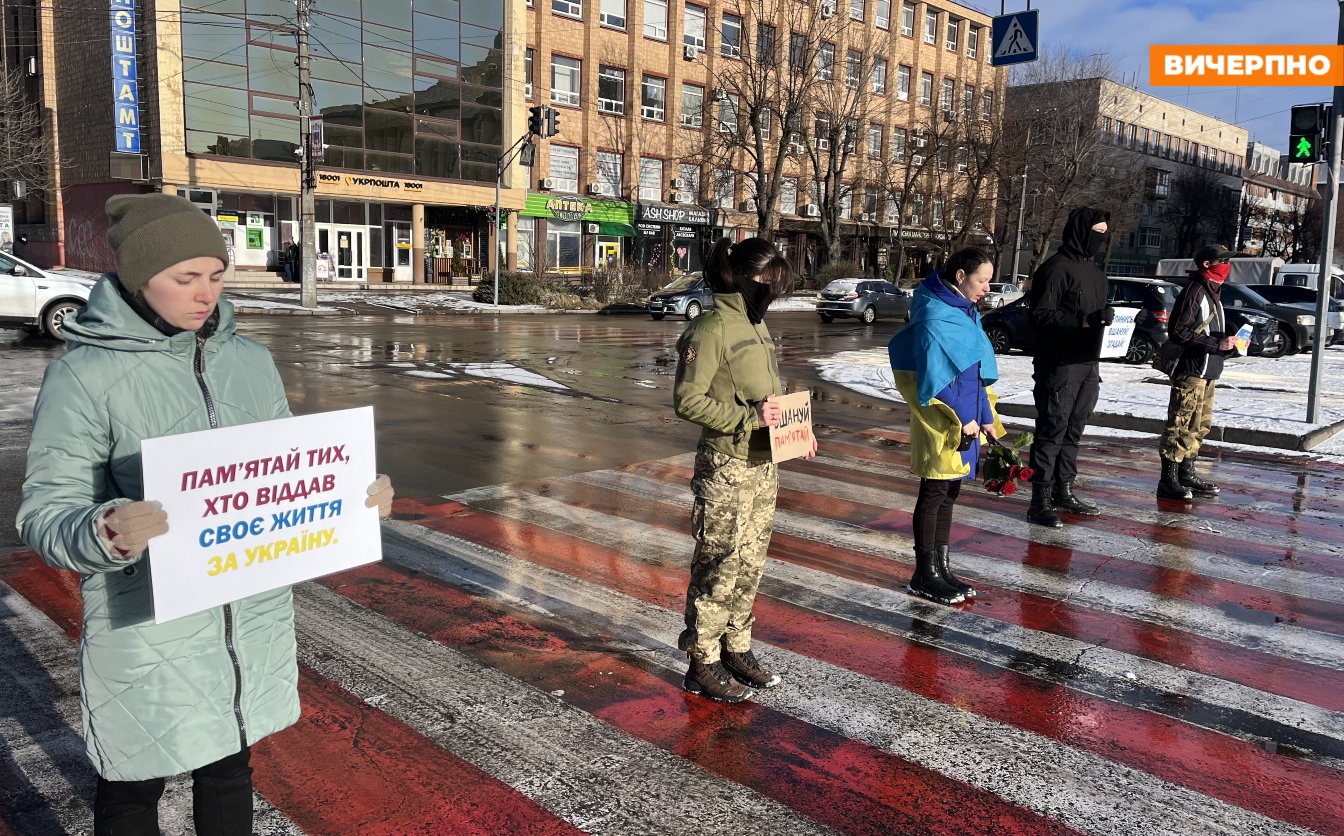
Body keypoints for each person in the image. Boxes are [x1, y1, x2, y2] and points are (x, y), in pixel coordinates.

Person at [16, 193, 395, 836]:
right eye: (184, 279)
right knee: (133, 788)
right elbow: (45, 512)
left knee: (229, 770)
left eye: (216, 277)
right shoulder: (86, 377)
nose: (205, 295)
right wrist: (104, 531)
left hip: (246, 615)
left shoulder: (249, 361)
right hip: (147, 625)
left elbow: (281, 473)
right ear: (138, 281)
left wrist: (349, 495)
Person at [672, 237, 813, 702]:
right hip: (726, 465)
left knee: (750, 563)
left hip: (762, 463)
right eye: (767, 283)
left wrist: (798, 429)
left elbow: (768, 393)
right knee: (719, 565)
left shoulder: (755, 326)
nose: (771, 292)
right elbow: (687, 400)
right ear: (743, 278)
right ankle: (702, 661)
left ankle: (736, 646)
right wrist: (747, 419)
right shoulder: (711, 329)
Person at [889, 248, 1005, 604]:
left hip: (968, 419)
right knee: (934, 492)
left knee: (950, 493)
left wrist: (985, 418)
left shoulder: (965, 312)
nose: (987, 287)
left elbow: (975, 372)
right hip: (943, 419)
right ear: (960, 276)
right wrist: (965, 418)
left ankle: (941, 567)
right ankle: (924, 572)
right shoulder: (934, 316)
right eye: (981, 280)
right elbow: (934, 381)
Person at [1025, 206, 1113, 528]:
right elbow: (1040, 316)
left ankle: (1064, 489)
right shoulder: (1055, 269)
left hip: (1089, 364)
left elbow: (1098, 318)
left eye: (1104, 235)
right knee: (1052, 430)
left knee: (1074, 430)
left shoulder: (1096, 272)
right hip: (1059, 365)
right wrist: (1084, 320)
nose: (1100, 240)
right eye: (1096, 234)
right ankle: (1040, 501)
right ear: (1080, 231)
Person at [1157, 244, 1239, 500]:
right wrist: (1216, 344)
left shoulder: (1213, 291)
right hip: (1191, 371)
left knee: (1199, 424)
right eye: (1222, 261)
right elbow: (1178, 332)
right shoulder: (1194, 291)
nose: (1227, 266)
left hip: (1208, 371)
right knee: (1180, 424)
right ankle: (1168, 480)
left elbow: (1207, 331)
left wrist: (1228, 345)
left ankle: (1186, 473)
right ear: (1207, 264)